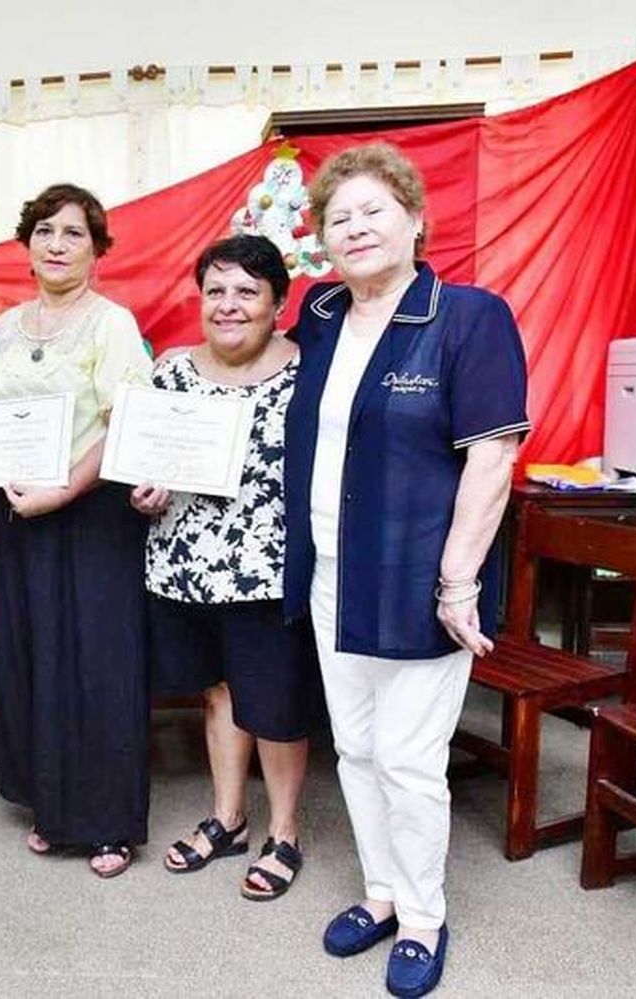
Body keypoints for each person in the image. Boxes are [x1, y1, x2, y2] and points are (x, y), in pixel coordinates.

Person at [282, 143, 529, 997]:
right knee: (352, 744)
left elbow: (492, 458)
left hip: (420, 574)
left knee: (408, 756)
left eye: (373, 211)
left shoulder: (470, 316)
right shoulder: (317, 316)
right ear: (321, 239)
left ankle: (424, 915)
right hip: (328, 569)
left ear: (416, 220)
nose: (354, 228)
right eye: (337, 218)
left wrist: (459, 578)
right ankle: (381, 891)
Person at [0, 183, 152, 878]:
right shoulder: (4, 328)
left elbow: (126, 423)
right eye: (45, 231)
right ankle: (52, 807)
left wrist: (64, 489)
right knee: (34, 659)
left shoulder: (111, 324)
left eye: (73, 233)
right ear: (27, 242)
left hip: (91, 514)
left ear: (96, 250)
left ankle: (109, 823)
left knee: (97, 663)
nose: (57, 244)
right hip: (16, 513)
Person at [131, 235, 316, 901]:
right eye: (216, 291)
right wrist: (144, 488)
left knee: (276, 703)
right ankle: (229, 817)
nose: (229, 305)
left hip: (268, 573)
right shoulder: (172, 372)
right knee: (217, 692)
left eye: (246, 292)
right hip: (183, 567)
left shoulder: (309, 374)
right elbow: (147, 464)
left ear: (277, 303)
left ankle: (285, 831)